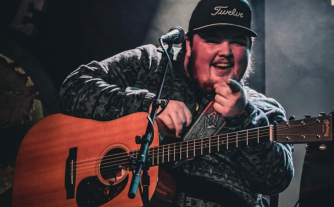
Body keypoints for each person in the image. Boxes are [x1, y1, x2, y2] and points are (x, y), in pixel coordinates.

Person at [59, 0, 294, 206]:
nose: (225, 51)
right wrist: (148, 107)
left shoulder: (266, 110)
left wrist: (244, 117)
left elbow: (276, 181)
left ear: (249, 51)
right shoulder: (152, 64)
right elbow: (73, 87)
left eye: (237, 42)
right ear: (189, 45)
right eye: (212, 40)